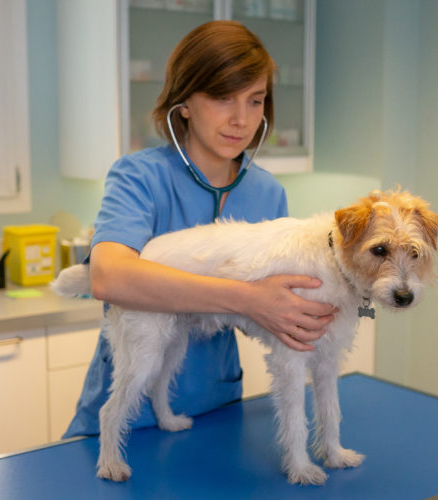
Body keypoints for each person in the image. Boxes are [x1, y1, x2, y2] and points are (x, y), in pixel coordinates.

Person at [63, 20, 337, 438]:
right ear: (185, 101)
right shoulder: (138, 176)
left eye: (255, 100)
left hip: (217, 410)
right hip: (130, 421)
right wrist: (247, 298)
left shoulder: (268, 194)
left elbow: (277, 306)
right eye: (222, 97)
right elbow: (108, 276)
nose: (241, 119)